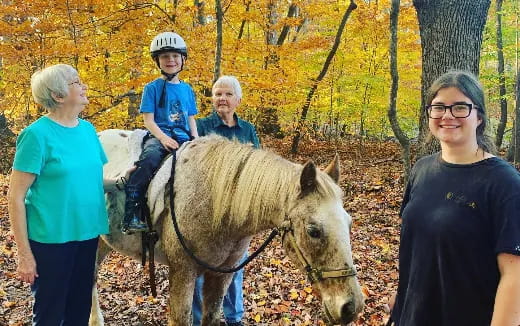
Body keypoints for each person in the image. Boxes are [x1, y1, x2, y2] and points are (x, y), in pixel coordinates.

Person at [389, 71, 520, 326]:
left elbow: (514, 274)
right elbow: (418, 249)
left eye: (460, 107)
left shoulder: (504, 183)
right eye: (438, 107)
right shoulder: (421, 170)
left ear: (479, 116)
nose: (447, 115)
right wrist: (402, 300)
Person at [7, 64, 131, 326]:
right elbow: (15, 197)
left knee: (78, 311)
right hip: (50, 240)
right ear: (58, 95)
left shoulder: (87, 130)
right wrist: (25, 255)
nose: (84, 86)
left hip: (87, 234)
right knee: (50, 314)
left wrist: (121, 181)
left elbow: (91, 180)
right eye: (76, 82)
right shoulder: (36, 136)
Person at [192, 76, 260, 326]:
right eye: (218, 94)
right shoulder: (199, 127)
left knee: (234, 268)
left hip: (238, 214)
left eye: (228, 94)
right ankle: (199, 319)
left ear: (238, 101)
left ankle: (234, 319)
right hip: (205, 213)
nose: (222, 98)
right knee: (199, 270)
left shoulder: (247, 130)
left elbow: (257, 167)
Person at [122, 31, 199, 233]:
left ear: (183, 59)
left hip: (183, 138)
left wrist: (197, 141)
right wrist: (163, 139)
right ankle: (131, 212)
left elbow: (191, 118)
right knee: (148, 160)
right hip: (160, 136)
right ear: (158, 61)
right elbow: (148, 121)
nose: (170, 60)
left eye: (175, 56)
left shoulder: (188, 89)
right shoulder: (152, 88)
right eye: (165, 56)